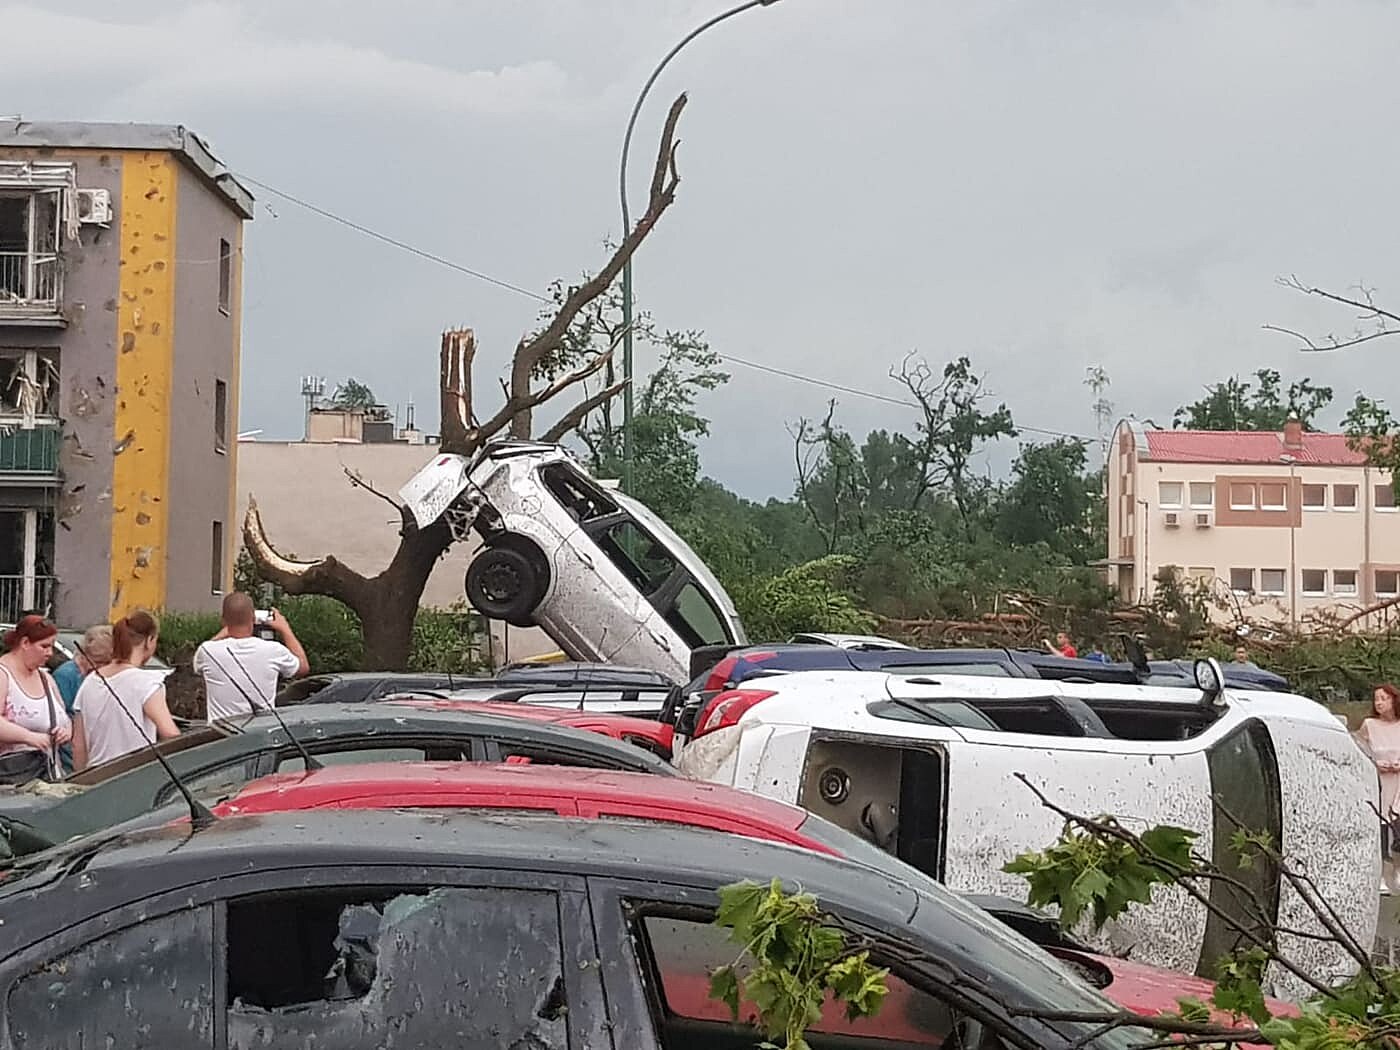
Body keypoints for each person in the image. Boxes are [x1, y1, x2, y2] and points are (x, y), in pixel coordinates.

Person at [71, 611, 179, 770]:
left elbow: (78, 745)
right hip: (133, 776)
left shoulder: (90, 681)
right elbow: (170, 735)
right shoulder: (147, 683)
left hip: (96, 777)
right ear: (149, 640)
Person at [194, 593, 309, 722]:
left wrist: (225, 631)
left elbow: (198, 664)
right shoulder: (273, 650)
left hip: (221, 735)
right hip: (259, 733)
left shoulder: (207, 651)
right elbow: (303, 667)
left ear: (223, 620)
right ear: (254, 618)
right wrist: (285, 629)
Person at [0, 615, 71, 784]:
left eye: (52, 647)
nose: (50, 653)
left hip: (49, 775)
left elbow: (64, 717)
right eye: (44, 646)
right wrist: (29, 737)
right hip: (11, 778)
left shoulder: (46, 678)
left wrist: (66, 731)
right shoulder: (3, 675)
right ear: (25, 643)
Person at [52, 624, 113, 773]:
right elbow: (62, 718)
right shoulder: (66, 676)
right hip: (72, 755)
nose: (102, 669)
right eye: (99, 663)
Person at [1357, 683, 1400, 894]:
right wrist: (1375, 763)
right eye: (1377, 699)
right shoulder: (1369, 725)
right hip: (1379, 783)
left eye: (1384, 698)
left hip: (1399, 783)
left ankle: (1398, 870)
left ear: (1394, 700)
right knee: (1382, 829)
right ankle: (1383, 874)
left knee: (1398, 831)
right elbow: (1358, 749)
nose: (1380, 703)